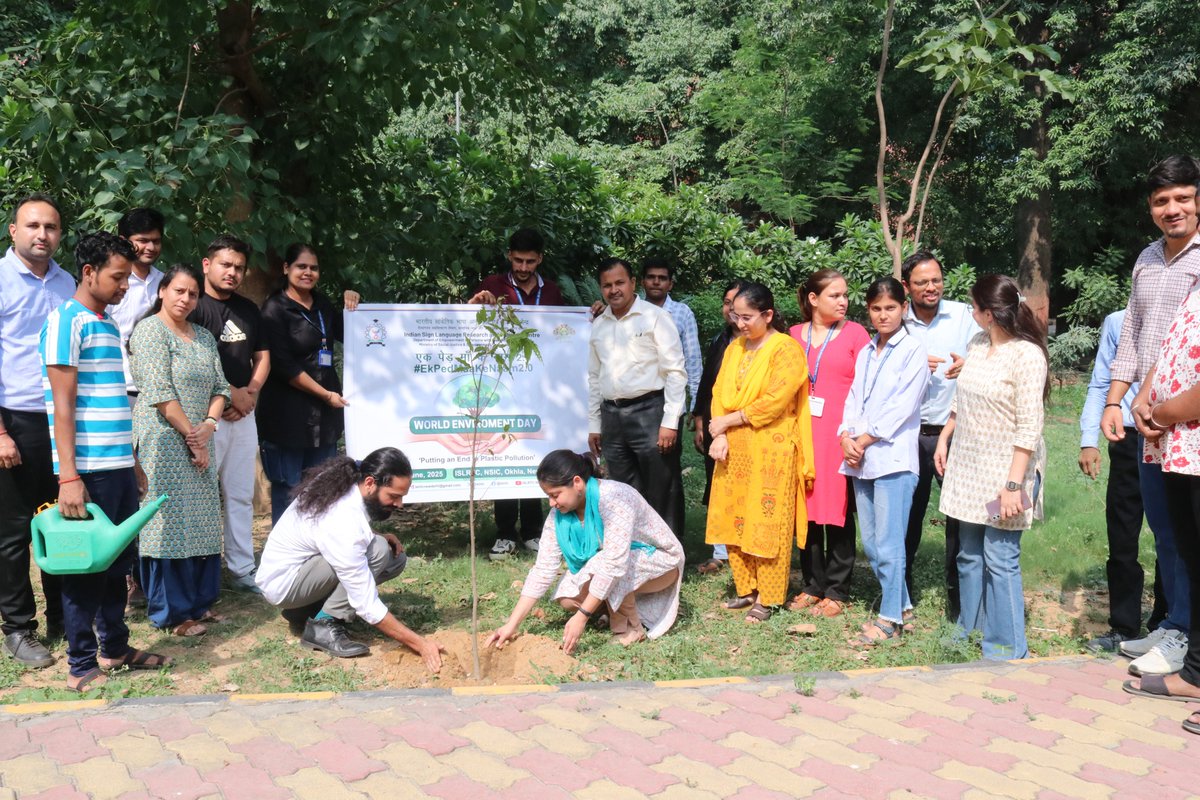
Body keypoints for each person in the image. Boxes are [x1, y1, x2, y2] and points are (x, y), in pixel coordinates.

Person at [40, 232, 171, 692]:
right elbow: (63, 406)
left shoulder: (107, 323)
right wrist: (68, 475)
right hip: (86, 470)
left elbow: (114, 401)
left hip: (116, 464)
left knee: (118, 561)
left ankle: (114, 648)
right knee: (86, 567)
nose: (123, 286)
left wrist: (132, 460)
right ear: (89, 273)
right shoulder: (65, 323)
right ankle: (80, 665)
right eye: (116, 277)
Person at [1101, 155, 1200, 674]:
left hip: (1191, 417)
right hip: (1146, 416)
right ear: (1150, 208)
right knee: (1163, 527)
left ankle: (1186, 634)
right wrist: (1113, 400)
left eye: (1182, 198)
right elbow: (1133, 336)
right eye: (1162, 201)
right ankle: (1175, 625)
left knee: (1190, 532)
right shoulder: (1146, 258)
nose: (1172, 209)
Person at [935, 275, 1047, 661]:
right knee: (969, 554)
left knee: (1000, 557)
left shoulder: (1027, 356)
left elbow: (1029, 426)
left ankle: (1006, 645)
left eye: (974, 307)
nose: (970, 312)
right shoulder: (978, 344)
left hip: (1004, 473)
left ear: (990, 313)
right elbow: (962, 397)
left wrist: (1014, 485)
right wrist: (946, 435)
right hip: (968, 468)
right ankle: (971, 628)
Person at [256, 447, 445, 670]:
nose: (399, 504)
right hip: (286, 585)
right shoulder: (343, 519)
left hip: (300, 573)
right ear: (369, 483)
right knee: (378, 552)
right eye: (394, 496)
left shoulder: (347, 483)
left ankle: (305, 612)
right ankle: (324, 624)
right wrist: (420, 644)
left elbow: (329, 532)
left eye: (402, 497)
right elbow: (366, 603)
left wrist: (375, 535)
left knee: (394, 558)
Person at [486, 449, 684, 653]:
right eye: (548, 496)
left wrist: (582, 616)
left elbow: (615, 562)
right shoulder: (558, 516)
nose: (551, 503)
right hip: (610, 562)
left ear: (577, 483)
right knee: (568, 598)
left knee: (609, 564)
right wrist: (511, 625)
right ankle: (610, 608)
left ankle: (630, 628)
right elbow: (543, 570)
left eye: (555, 495)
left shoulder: (615, 498)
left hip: (661, 562)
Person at [129, 265, 230, 636]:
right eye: (179, 291)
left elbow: (222, 387)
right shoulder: (150, 331)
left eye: (192, 294)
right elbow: (159, 392)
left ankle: (199, 604)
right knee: (167, 523)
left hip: (200, 437)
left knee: (202, 520)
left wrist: (209, 425)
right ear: (162, 291)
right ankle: (171, 613)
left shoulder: (202, 336)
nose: (185, 299)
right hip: (163, 440)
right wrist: (192, 435)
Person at [706, 283, 814, 624]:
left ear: (767, 315)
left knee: (766, 522)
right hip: (734, 448)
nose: (740, 323)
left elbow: (775, 400)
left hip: (772, 448)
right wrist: (720, 431)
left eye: (748, 317)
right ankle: (746, 589)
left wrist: (729, 420)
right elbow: (719, 391)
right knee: (735, 520)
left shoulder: (786, 349)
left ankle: (768, 597)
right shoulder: (735, 347)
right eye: (736, 316)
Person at [1123, 280, 1200, 736]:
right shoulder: (1194, 286)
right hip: (1179, 446)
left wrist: (1165, 412)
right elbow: (1171, 348)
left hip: (1184, 431)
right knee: (1193, 561)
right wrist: (1143, 398)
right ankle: (1194, 674)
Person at [0, 194, 70, 668]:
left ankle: (65, 618)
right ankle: (18, 628)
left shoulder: (68, 283)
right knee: (13, 533)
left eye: (50, 227)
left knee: (62, 520)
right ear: (13, 231)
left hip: (61, 420)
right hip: (14, 419)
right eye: (32, 225)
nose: (41, 234)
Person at [840, 277, 929, 644]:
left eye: (890, 308)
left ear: (904, 308)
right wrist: (845, 436)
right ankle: (904, 606)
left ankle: (890, 620)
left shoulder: (914, 350)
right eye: (876, 308)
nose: (883, 315)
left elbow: (902, 407)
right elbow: (853, 398)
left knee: (891, 545)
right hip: (861, 459)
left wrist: (861, 439)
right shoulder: (865, 351)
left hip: (893, 459)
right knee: (874, 544)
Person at [467, 228, 559, 560]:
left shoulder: (553, 292)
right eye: (518, 260)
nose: (523, 267)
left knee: (534, 456)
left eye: (530, 261)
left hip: (538, 388)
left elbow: (564, 333)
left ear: (540, 259)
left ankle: (533, 531)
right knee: (503, 456)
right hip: (500, 386)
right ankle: (505, 532)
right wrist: (476, 303)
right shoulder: (491, 284)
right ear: (509, 256)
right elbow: (466, 322)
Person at [1079, 310, 1165, 653]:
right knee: (1122, 535)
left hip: (1172, 433)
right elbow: (1102, 380)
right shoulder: (1118, 322)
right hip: (1127, 439)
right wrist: (1089, 439)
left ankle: (1167, 623)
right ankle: (1124, 627)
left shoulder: (1189, 313)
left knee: (1173, 536)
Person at [189, 234, 271, 594]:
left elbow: (262, 356)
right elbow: (190, 361)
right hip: (203, 416)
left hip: (243, 416)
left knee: (239, 494)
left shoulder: (248, 309)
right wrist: (229, 395)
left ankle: (241, 569)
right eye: (225, 264)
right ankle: (200, 572)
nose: (232, 272)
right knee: (201, 495)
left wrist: (250, 393)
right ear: (207, 264)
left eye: (239, 267)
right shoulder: (190, 305)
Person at [900, 251, 979, 619]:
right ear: (907, 287)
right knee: (907, 517)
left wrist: (970, 363)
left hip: (956, 432)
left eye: (936, 280)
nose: (931, 288)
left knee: (959, 521)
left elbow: (993, 349)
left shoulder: (965, 316)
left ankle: (959, 601)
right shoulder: (897, 321)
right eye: (921, 282)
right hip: (909, 435)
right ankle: (900, 594)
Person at [787, 270, 870, 618]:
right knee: (804, 511)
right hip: (801, 435)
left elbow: (867, 386)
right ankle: (811, 583)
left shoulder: (855, 334)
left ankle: (837, 589)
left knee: (836, 514)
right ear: (813, 299)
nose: (843, 301)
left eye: (845, 295)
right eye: (834, 295)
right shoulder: (793, 335)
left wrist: (855, 434)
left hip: (839, 437)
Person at [258, 244, 360, 524]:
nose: (308, 272)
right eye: (301, 266)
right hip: (287, 418)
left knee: (321, 490)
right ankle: (286, 561)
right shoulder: (273, 310)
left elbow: (354, 334)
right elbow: (284, 366)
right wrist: (326, 395)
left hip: (324, 419)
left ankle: (316, 555)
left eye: (313, 268)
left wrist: (353, 307)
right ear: (286, 268)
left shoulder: (322, 305)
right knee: (288, 491)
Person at [587, 258, 688, 537]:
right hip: (613, 417)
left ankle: (669, 561)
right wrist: (595, 425)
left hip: (651, 413)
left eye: (620, 282)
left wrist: (670, 422)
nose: (614, 290)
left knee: (662, 488)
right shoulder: (599, 325)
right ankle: (634, 557)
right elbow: (595, 378)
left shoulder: (655, 318)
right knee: (622, 492)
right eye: (607, 285)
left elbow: (676, 373)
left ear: (633, 283)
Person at [641, 258, 700, 543]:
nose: (656, 282)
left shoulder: (681, 313)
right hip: (635, 404)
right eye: (651, 277)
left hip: (669, 402)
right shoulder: (629, 310)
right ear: (642, 282)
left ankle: (671, 538)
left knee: (668, 471)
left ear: (670, 283)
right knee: (638, 470)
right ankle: (641, 534)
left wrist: (696, 407)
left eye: (662, 277)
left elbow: (692, 359)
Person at [692, 279, 749, 574]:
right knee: (718, 486)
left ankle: (747, 549)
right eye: (727, 303)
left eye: (737, 303)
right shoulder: (720, 340)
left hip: (750, 426)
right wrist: (700, 420)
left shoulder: (767, 341)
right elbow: (707, 384)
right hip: (717, 425)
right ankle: (720, 551)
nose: (732, 309)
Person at [108, 208, 165, 401]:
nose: (150, 247)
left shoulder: (167, 284)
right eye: (142, 240)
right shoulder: (110, 284)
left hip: (160, 392)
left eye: (156, 241)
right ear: (124, 240)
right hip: (119, 388)